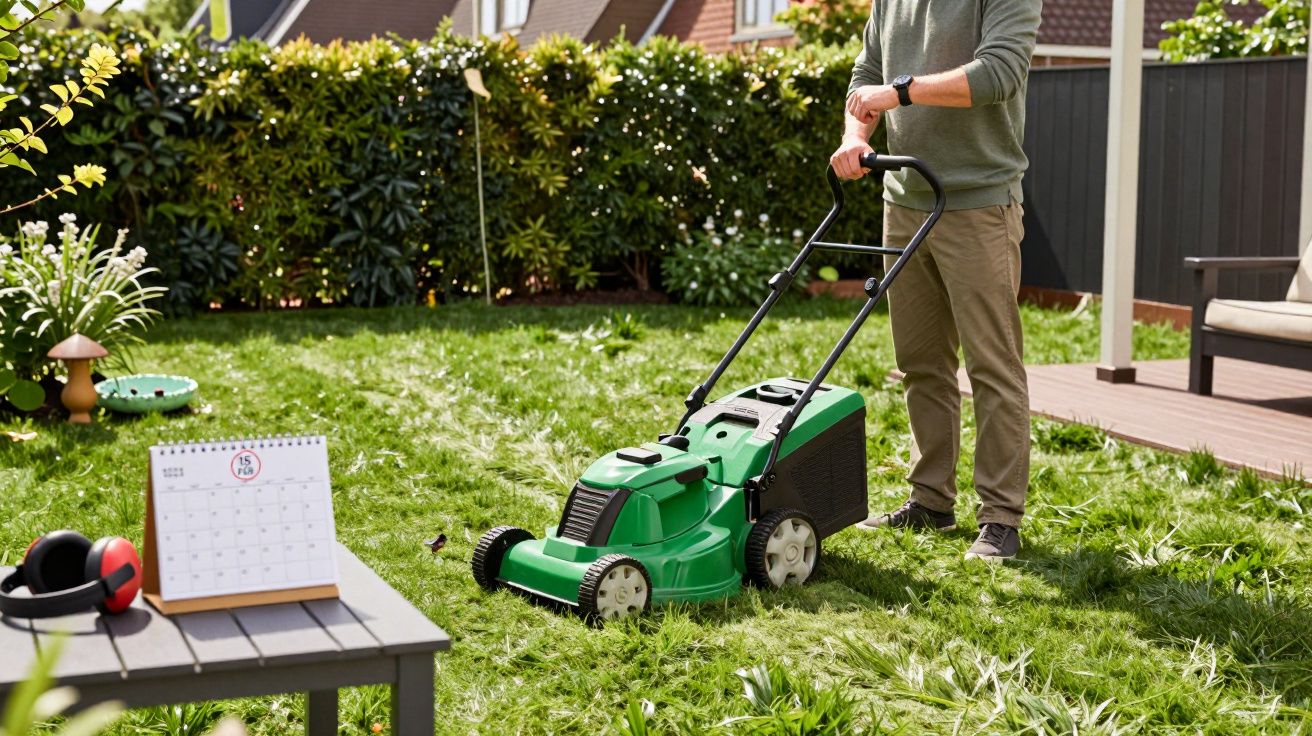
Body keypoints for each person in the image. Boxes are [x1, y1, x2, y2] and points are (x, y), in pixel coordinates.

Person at [831, 0, 1042, 562]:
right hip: (904, 198)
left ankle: (1000, 517)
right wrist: (857, 135)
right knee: (921, 360)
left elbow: (998, 73)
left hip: (979, 201)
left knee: (992, 364)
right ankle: (931, 501)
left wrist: (898, 92)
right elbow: (863, 79)